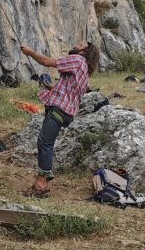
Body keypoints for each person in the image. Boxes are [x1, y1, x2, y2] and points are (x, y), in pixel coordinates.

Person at [21, 41, 100, 197]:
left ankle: (41, 184)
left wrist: (29, 52)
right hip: (66, 112)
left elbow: (46, 62)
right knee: (46, 142)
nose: (76, 45)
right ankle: (42, 180)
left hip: (59, 109)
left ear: (85, 51)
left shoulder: (78, 60)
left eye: (80, 44)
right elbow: (71, 91)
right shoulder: (85, 70)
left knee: (45, 142)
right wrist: (51, 88)